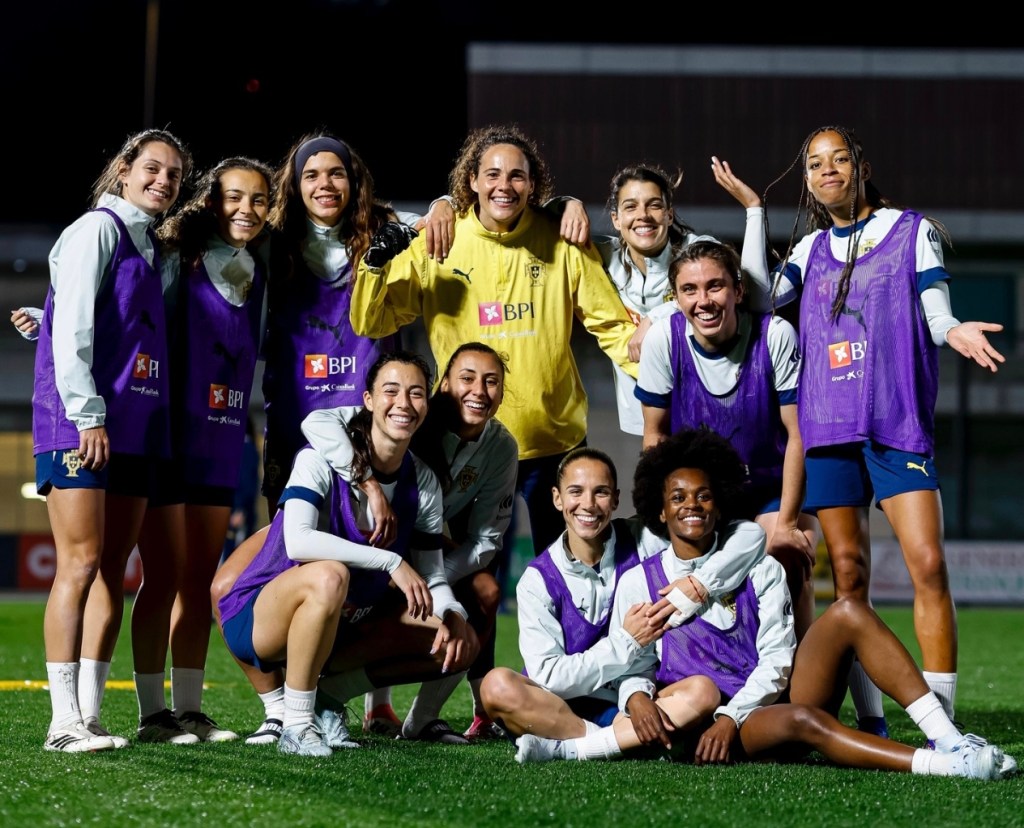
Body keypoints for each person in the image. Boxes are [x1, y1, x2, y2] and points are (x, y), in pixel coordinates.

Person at [713, 127, 1006, 734]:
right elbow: (758, 298)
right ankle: (871, 720)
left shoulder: (910, 231)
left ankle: (942, 723)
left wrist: (954, 332)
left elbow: (934, 310)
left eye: (838, 160)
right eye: (815, 165)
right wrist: (754, 213)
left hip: (895, 421)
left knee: (927, 564)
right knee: (848, 576)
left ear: (861, 166)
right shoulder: (811, 249)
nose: (827, 172)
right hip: (828, 426)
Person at [515, 429, 1017, 782]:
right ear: (659, 507)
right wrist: (638, 699)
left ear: (721, 501)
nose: (692, 505)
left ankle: (949, 738)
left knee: (849, 610)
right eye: (678, 497)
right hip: (707, 726)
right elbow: (635, 663)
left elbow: (778, 660)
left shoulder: (759, 567)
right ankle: (944, 767)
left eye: (705, 495)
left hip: (750, 706)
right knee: (805, 723)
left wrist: (736, 713)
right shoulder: (638, 581)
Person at [349, 124, 640, 553]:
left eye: (517, 176)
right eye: (493, 175)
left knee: (569, 571)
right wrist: (373, 267)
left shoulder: (562, 240)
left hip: (552, 441)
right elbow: (372, 322)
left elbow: (613, 328)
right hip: (465, 443)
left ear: (533, 184)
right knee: (469, 582)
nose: (504, 186)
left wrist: (667, 372)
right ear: (472, 180)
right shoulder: (439, 240)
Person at [217, 351, 477, 757]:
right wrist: (391, 560)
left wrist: (451, 613)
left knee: (461, 643)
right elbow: (297, 541)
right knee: (329, 576)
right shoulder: (319, 457)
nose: (404, 404)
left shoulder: (422, 480)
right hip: (264, 616)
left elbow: (433, 574)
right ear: (369, 401)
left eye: (416, 393)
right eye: (391, 391)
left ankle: (329, 700)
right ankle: (296, 724)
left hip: (345, 620)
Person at [32, 128, 191, 752]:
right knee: (78, 563)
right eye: (152, 168)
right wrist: (87, 413)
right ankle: (61, 724)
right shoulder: (97, 229)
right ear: (122, 171)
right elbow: (71, 327)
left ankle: (90, 716)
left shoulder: (149, 247)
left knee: (107, 572)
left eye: (175, 175)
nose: (164, 181)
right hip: (82, 424)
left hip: (129, 430)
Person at [126, 157, 274, 744]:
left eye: (259, 199)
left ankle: (188, 709)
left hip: (223, 437)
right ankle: (150, 713)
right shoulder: (174, 259)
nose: (247, 209)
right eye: (234, 197)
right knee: (160, 579)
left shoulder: (260, 266)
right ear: (212, 201)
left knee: (198, 581)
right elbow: (128, 318)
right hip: (168, 439)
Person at [300, 342, 518, 742]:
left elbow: (487, 539)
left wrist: (422, 577)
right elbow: (317, 422)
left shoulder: (501, 447)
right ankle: (359, 705)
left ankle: (422, 720)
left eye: (492, 382)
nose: (480, 391)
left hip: (424, 548)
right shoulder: (409, 412)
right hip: (365, 541)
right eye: (467, 379)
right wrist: (367, 482)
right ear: (445, 386)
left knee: (483, 592)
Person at [479, 445, 766, 746]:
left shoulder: (643, 538)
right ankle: (608, 741)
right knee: (497, 686)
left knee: (702, 691)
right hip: (560, 704)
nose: (588, 505)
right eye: (575, 492)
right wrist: (626, 642)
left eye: (600, 492)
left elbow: (750, 534)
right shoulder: (537, 580)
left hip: (640, 696)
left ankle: (591, 743)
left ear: (616, 498)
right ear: (557, 498)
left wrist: (698, 584)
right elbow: (548, 676)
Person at [635, 240, 819, 638]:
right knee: (685, 581)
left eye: (715, 286)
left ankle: (802, 688)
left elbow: (798, 434)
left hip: (772, 487)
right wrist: (659, 514)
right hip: (703, 496)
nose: (704, 300)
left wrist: (786, 523)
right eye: (690, 290)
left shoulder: (776, 335)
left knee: (787, 560)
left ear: (738, 291)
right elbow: (655, 436)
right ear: (676, 298)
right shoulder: (663, 340)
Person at [259, 132, 450, 512]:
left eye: (336, 173)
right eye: (311, 175)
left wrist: (443, 203)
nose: (325, 184)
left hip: (371, 422)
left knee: (374, 536)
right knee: (293, 548)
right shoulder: (272, 241)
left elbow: (439, 222)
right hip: (294, 419)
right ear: (296, 186)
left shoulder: (386, 231)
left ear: (354, 180)